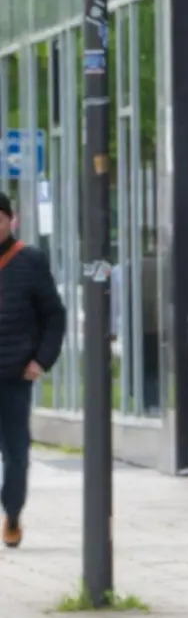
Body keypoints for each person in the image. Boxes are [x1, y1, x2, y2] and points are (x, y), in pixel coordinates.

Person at [0, 192, 65, 549]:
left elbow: (54, 315)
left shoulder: (30, 261)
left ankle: (11, 515)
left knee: (16, 454)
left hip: (13, 377)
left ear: (12, 220)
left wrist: (42, 360)